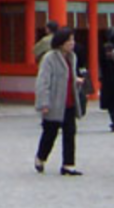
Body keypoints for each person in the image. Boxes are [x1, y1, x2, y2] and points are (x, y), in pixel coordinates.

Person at [33, 27, 85, 176]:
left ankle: (68, 164)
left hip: (69, 101)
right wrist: (43, 103)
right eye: (69, 40)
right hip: (54, 101)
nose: (72, 43)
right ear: (61, 42)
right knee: (50, 133)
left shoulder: (72, 57)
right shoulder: (49, 58)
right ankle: (41, 157)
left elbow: (68, 76)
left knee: (70, 132)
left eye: (73, 40)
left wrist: (76, 81)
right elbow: (43, 81)